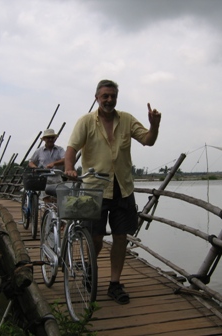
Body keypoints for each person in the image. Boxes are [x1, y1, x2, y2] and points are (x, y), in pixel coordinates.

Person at [64, 79, 161, 305]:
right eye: (105, 96)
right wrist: (69, 168)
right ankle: (91, 268)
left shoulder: (126, 120)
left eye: (113, 96)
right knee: (95, 238)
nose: (109, 100)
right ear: (96, 97)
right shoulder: (86, 122)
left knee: (120, 238)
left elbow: (148, 141)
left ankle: (114, 284)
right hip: (92, 189)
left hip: (123, 189)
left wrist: (154, 125)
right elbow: (71, 150)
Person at [28, 129, 65, 201]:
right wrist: (35, 168)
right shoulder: (39, 151)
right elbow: (31, 162)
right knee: (46, 199)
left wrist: (54, 163)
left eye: (52, 137)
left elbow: (65, 159)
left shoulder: (60, 150)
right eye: (48, 138)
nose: (50, 139)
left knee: (59, 199)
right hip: (44, 179)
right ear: (44, 139)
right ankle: (46, 212)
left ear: (55, 138)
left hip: (57, 178)